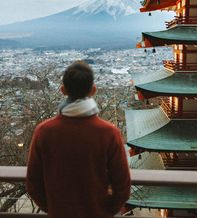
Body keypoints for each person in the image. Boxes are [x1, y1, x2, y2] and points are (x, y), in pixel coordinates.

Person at [26, 61, 131, 218]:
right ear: (93, 90)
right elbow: (122, 185)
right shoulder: (109, 133)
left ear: (63, 90)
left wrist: (53, 207)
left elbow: (33, 182)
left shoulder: (44, 131)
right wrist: (106, 210)